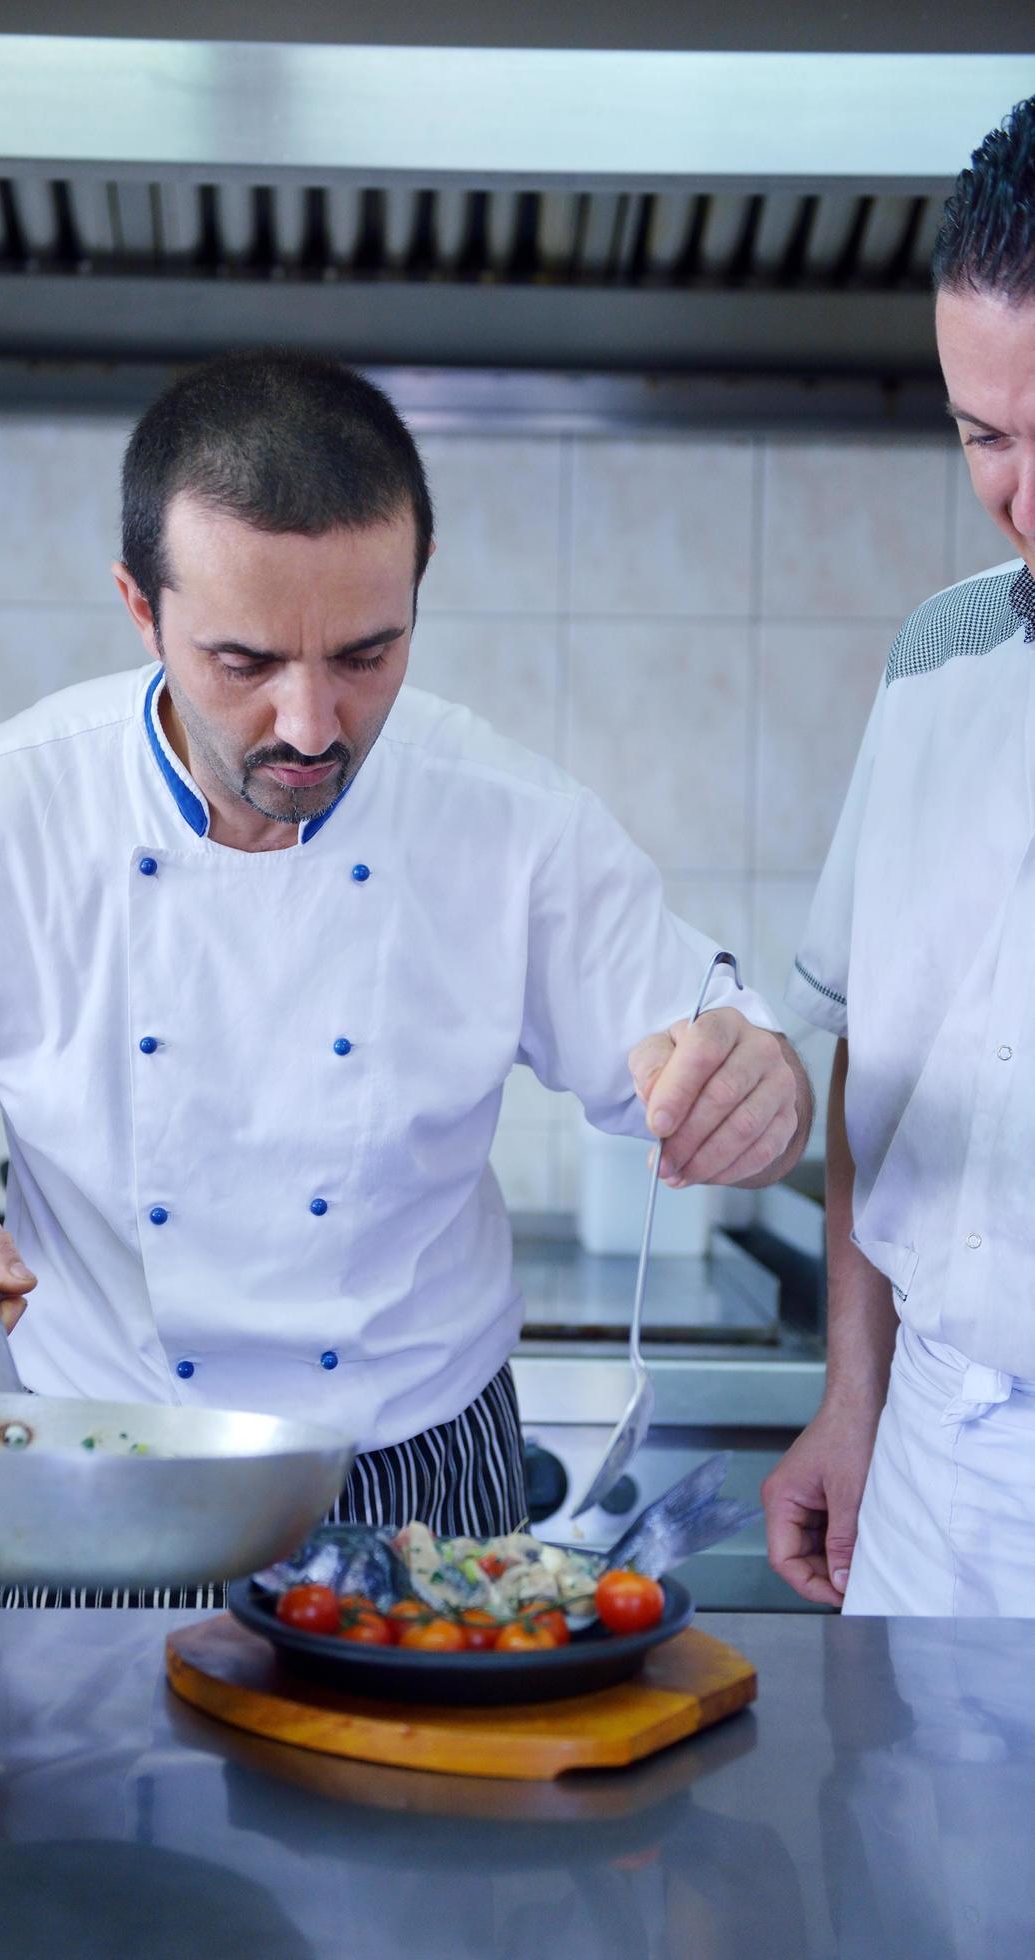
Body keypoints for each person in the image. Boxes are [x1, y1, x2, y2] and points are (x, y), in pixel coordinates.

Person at [0, 351, 810, 1603]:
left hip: (420, 1472)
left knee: (423, 1797)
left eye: (366, 655)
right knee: (70, 1806)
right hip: (104, 1460)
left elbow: (722, 1054)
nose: (312, 725)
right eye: (245, 662)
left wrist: (760, 1090)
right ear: (140, 609)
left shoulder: (513, 824)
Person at [764, 96, 1035, 1615]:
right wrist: (855, 1398)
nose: (1026, 504)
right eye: (988, 438)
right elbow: (886, 1067)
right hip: (932, 1468)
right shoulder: (940, 657)